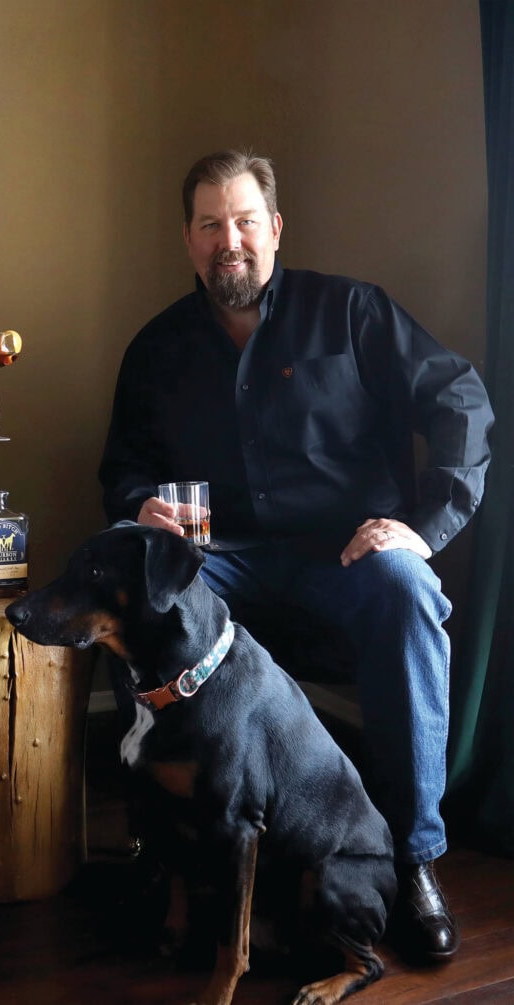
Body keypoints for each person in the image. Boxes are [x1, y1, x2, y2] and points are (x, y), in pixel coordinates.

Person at [99, 149, 494, 966]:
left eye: (244, 220)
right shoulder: (158, 348)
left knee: (406, 582)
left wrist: (425, 524)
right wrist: (141, 505)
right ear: (189, 240)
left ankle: (413, 859)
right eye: (210, 224)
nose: (228, 239)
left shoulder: (351, 312)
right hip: (222, 563)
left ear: (274, 228)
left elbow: (460, 396)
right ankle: (157, 847)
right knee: (145, 591)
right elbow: (121, 466)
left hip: (344, 555)